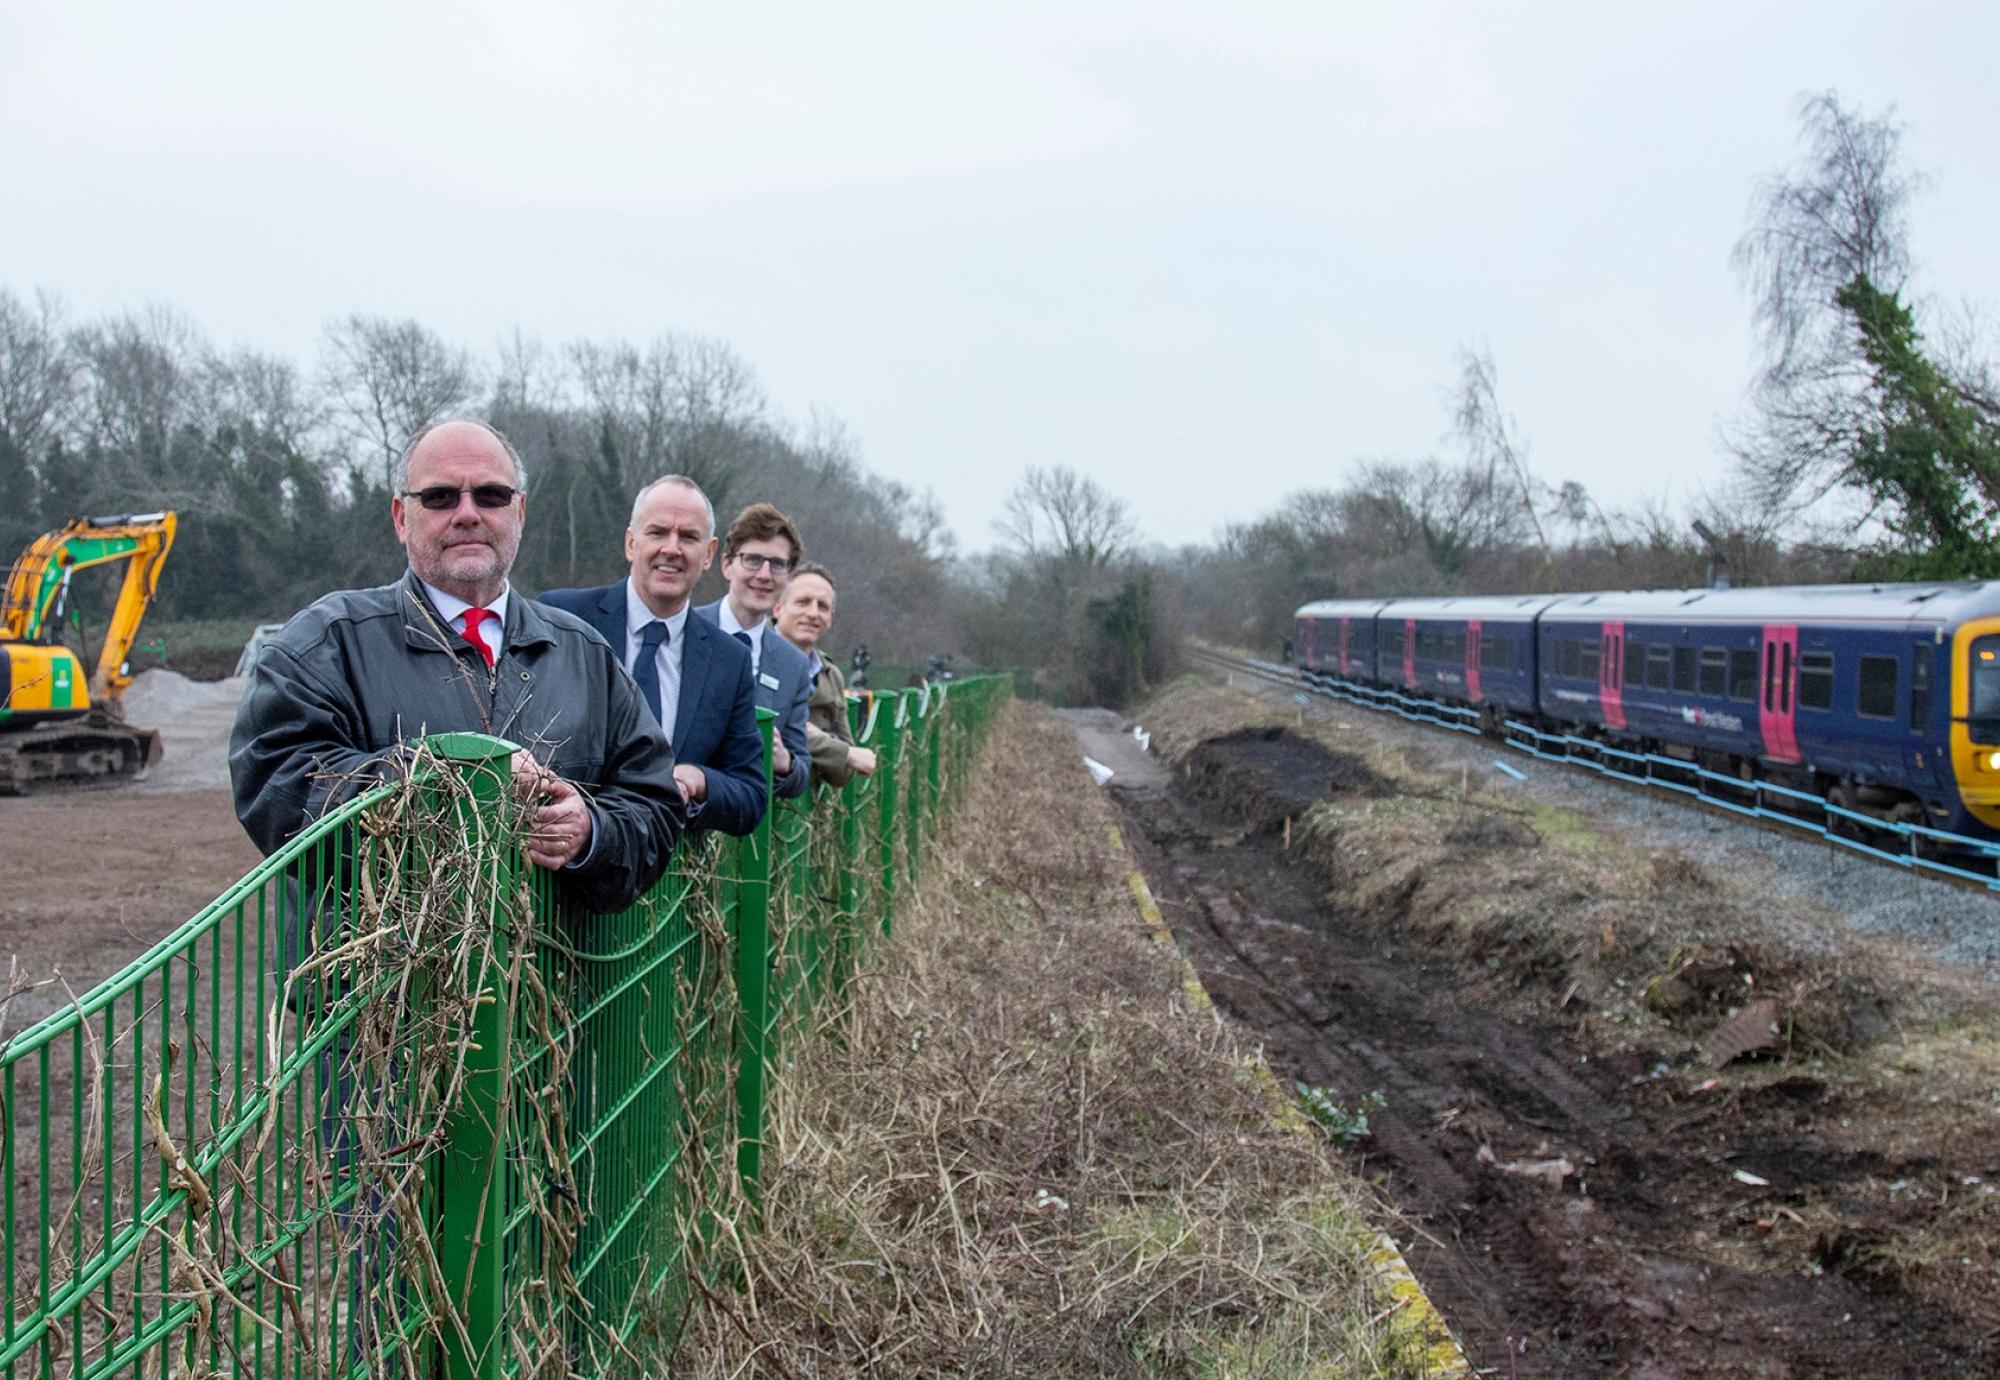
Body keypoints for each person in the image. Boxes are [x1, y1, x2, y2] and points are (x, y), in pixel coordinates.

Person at [229, 418, 682, 918]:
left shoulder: (585, 656)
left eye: (490, 495)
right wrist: (452, 782)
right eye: (441, 497)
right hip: (381, 990)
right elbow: (276, 788)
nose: (467, 514)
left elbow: (656, 809)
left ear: (520, 511)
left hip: (552, 986)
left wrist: (591, 833)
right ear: (402, 517)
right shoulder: (325, 643)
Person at [540, 476, 767, 837]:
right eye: (658, 532)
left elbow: (751, 796)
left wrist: (698, 780)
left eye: (688, 537)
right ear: (631, 543)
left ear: (709, 554)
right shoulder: (562, 619)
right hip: (559, 871)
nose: (672, 549)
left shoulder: (729, 661)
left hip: (669, 882)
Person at [693, 504, 812, 800]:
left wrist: (784, 763)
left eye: (777, 564)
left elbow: (801, 773)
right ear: (726, 565)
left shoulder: (793, 664)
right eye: (752, 560)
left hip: (751, 836)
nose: (764, 574)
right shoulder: (685, 631)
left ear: (788, 577)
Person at [773, 561, 877, 787]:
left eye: (822, 606)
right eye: (802, 602)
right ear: (778, 607)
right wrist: (839, 749)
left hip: (808, 815)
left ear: (831, 616)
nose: (812, 613)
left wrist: (817, 740)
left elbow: (844, 774)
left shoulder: (831, 676)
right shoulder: (752, 658)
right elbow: (767, 735)